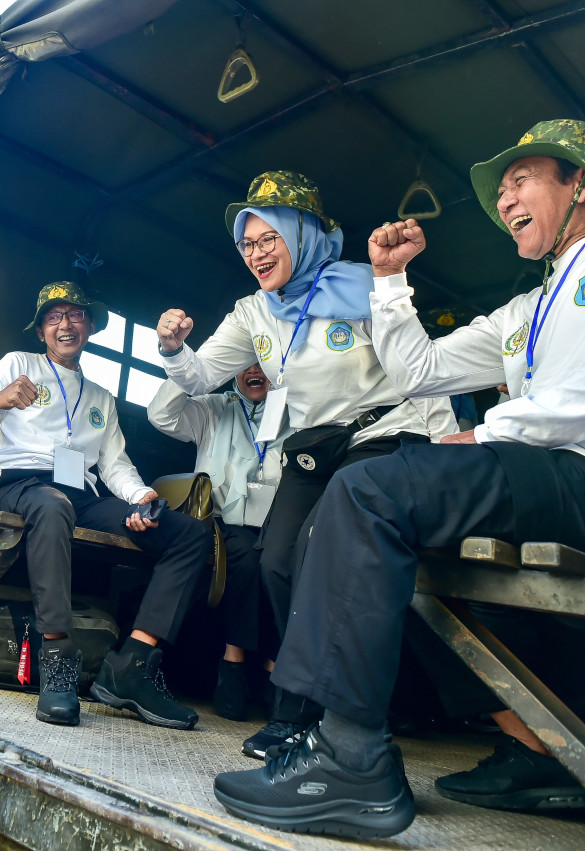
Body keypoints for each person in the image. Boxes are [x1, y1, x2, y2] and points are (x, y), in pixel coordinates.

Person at [210, 119, 585, 839]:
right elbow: (419, 370)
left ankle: (349, 756)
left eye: (521, 179)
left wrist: (495, 430)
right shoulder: (528, 308)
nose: (504, 198)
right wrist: (389, 282)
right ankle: (539, 749)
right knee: (399, 551)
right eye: (501, 188)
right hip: (545, 477)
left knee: (367, 491)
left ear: (583, 181)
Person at [157, 171, 455, 757]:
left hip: (384, 433)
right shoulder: (253, 312)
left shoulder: (366, 287)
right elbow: (199, 378)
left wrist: (445, 448)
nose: (256, 254)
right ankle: (303, 701)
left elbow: (421, 370)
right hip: (316, 446)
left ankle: (305, 711)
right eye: (247, 244)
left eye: (269, 238)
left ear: (305, 234)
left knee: (324, 551)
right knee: (275, 560)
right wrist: (173, 348)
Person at [0, 281, 213, 730]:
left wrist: (141, 497)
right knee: (53, 504)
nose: (65, 324)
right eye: (54, 317)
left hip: (81, 495)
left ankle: (132, 665)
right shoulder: (18, 364)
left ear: (90, 327)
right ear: (41, 331)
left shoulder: (100, 397)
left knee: (189, 535)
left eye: (75, 315)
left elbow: (114, 465)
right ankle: (57, 656)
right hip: (21, 484)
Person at [147, 363, 292, 720]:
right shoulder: (213, 407)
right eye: (245, 364)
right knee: (246, 556)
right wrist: (195, 367)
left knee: (288, 561)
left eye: (263, 362)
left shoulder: (293, 411)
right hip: (220, 520)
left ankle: (275, 667)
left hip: (277, 521)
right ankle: (233, 661)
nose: (255, 370)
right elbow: (161, 415)